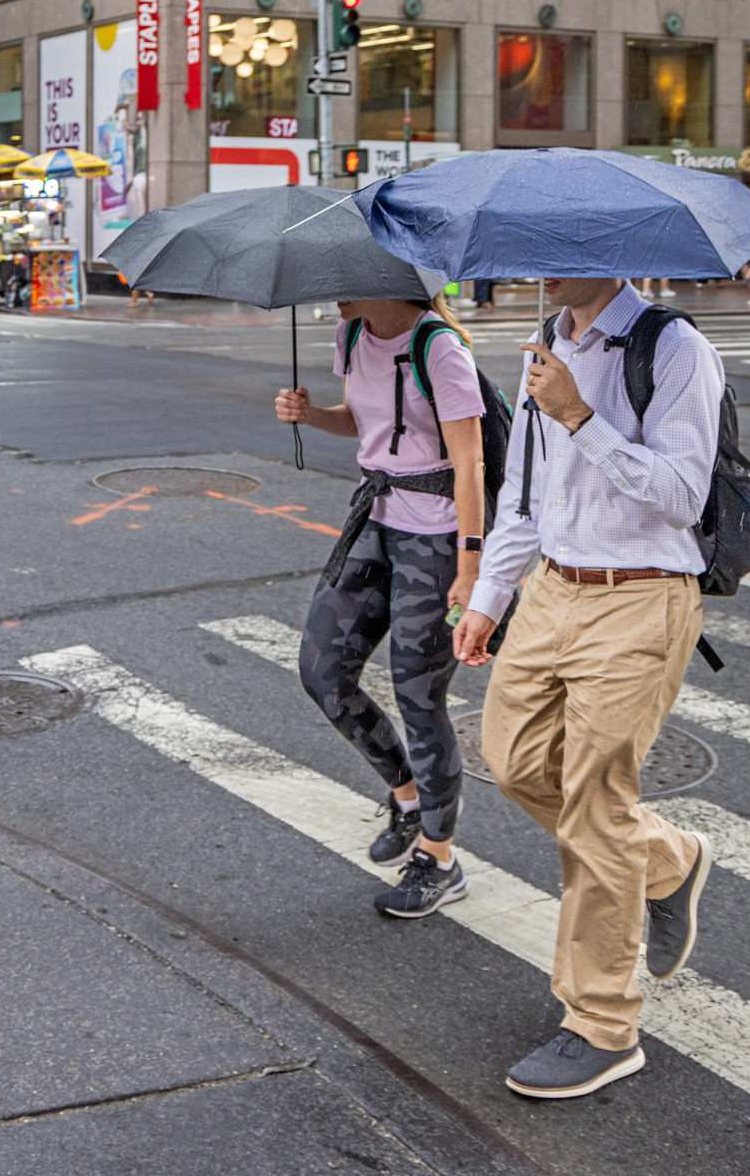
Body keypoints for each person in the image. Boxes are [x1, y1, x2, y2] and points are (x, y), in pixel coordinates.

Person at [452, 276, 720, 1100]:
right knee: (515, 761)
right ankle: (669, 859)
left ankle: (602, 1025)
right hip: (553, 589)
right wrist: (489, 600)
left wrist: (579, 415)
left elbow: (682, 497)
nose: (537, 264)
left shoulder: (673, 349)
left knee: (598, 809)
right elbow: (524, 500)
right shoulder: (551, 343)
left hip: (641, 597)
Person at [275, 292, 486, 918]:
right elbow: (364, 421)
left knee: (418, 695)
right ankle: (407, 796)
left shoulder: (439, 348)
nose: (334, 290)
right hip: (376, 518)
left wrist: (472, 567)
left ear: (386, 279)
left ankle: (440, 860)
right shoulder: (351, 334)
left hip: (438, 536)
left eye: (346, 278)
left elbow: (470, 462)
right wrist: (313, 415)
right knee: (323, 672)